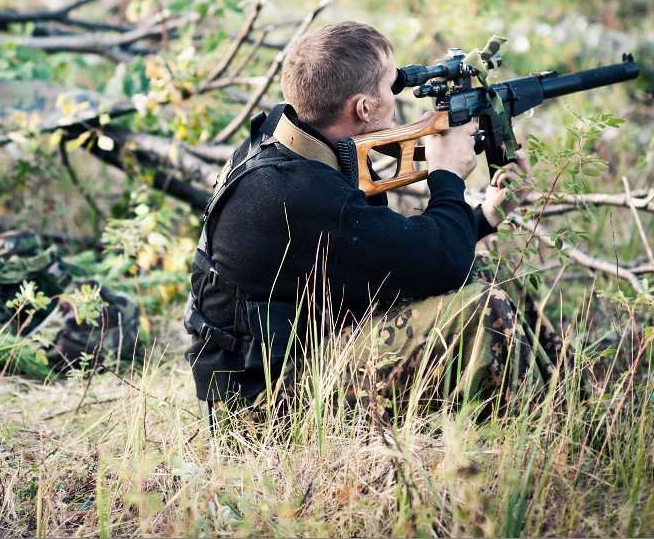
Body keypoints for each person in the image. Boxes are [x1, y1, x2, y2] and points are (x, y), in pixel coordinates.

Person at [184, 21, 564, 420]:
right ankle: (536, 445)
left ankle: (573, 413)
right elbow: (440, 264)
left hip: (294, 365)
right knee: (481, 307)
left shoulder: (286, 146)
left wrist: (488, 214)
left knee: (488, 270)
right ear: (362, 107)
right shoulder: (298, 192)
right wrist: (446, 176)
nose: (397, 97)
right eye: (391, 86)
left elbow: (396, 253)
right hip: (264, 411)